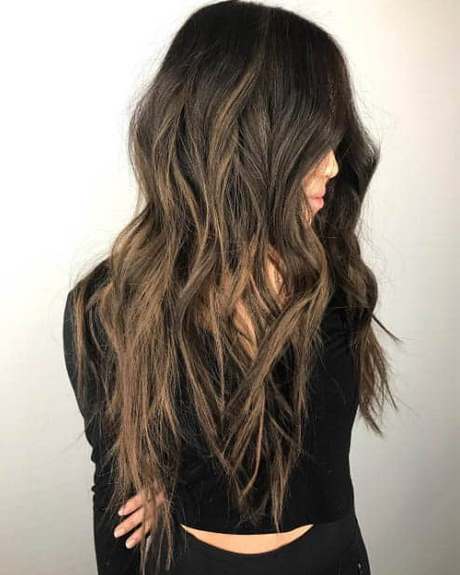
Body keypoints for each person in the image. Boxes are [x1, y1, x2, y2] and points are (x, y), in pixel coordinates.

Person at [62, 1, 401, 574]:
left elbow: (307, 471)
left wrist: (178, 475)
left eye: (335, 140)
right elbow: (117, 497)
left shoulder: (333, 281)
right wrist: (157, 476)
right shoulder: (109, 307)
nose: (333, 166)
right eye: (311, 143)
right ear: (240, 142)